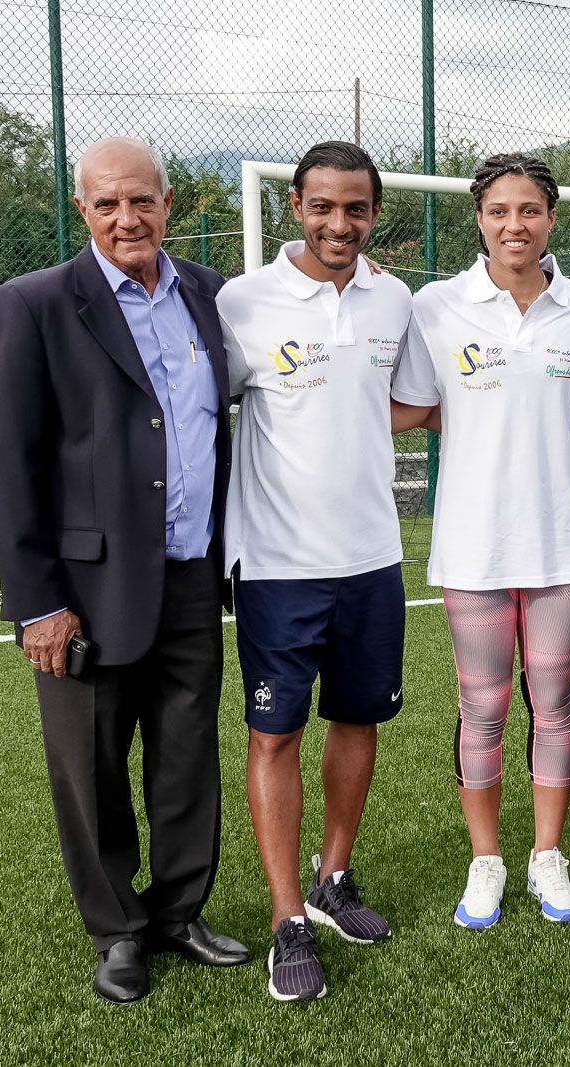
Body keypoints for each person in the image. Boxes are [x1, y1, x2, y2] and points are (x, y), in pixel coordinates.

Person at [0, 136, 250, 1004]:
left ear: (169, 204)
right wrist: (37, 604)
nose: (127, 219)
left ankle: (178, 912)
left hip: (192, 574)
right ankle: (117, 930)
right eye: (107, 204)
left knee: (186, 755)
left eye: (142, 201)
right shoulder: (37, 305)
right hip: (84, 593)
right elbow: (9, 466)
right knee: (91, 770)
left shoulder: (209, 295)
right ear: (82, 211)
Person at [391, 153, 570, 930]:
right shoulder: (435, 307)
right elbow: (416, 405)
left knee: (553, 703)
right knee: (481, 705)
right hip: (474, 546)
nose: (514, 225)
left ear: (552, 218)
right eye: (498, 211)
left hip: (560, 549)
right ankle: (486, 859)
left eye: (529, 210)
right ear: (477, 218)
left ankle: (547, 854)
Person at [217, 141, 412, 1002]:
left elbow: (407, 400)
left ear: (375, 213)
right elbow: (205, 407)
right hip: (276, 566)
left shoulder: (394, 298)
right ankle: (287, 916)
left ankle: (335, 877)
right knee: (274, 735)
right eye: (324, 206)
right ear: (294, 206)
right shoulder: (241, 302)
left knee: (359, 719)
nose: (340, 223)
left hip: (373, 557)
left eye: (357, 208)